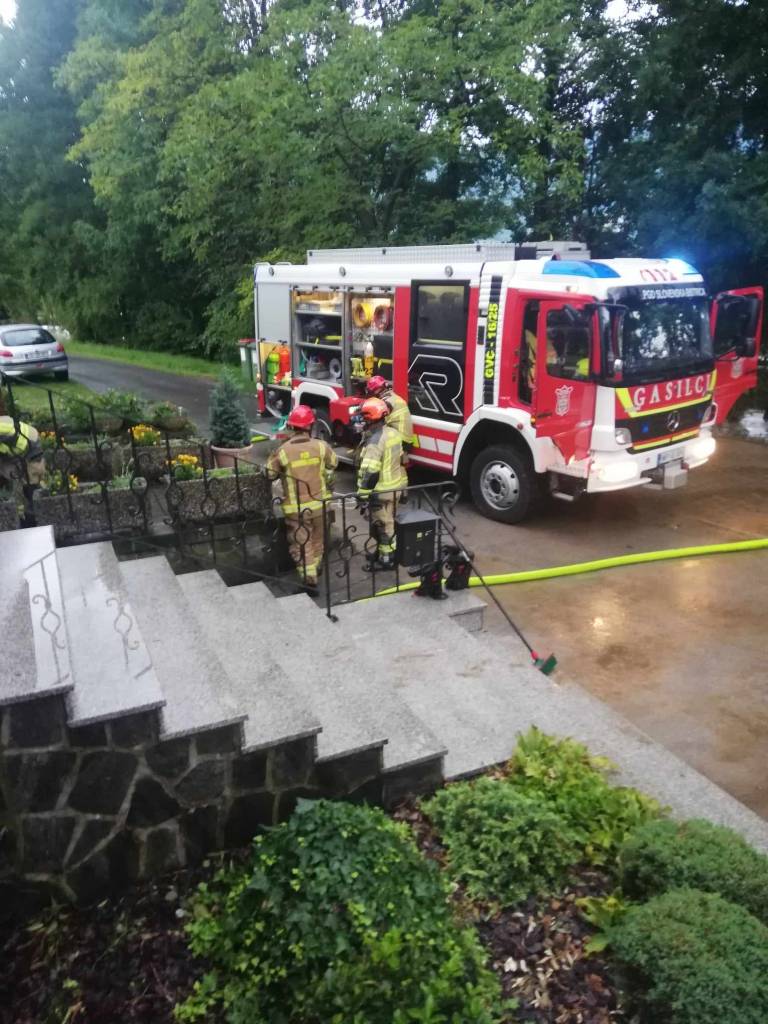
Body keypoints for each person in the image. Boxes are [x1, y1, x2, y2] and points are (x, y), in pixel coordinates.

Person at [266, 405, 337, 588]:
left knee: (301, 543)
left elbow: (269, 474)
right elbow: (333, 463)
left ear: (291, 426)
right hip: (320, 505)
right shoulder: (321, 446)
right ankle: (316, 567)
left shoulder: (283, 451)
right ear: (310, 426)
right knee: (318, 540)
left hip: (296, 509)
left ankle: (309, 579)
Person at [356, 397, 408, 569]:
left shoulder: (375, 441)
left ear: (370, 419)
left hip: (380, 493)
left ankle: (387, 560)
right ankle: (382, 554)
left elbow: (370, 472)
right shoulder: (394, 433)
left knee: (383, 527)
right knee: (386, 523)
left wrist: (362, 496)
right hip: (395, 489)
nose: (362, 421)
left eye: (364, 418)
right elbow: (401, 462)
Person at [365, 375, 416, 449]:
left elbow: (377, 424)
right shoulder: (393, 396)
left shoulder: (385, 403)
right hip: (406, 439)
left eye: (373, 391)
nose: (372, 393)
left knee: (372, 437)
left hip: (401, 441)